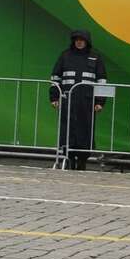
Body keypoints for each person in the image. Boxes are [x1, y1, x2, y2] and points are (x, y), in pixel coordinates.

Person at [51, 29, 108, 171]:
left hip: (87, 102)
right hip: (67, 100)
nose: (79, 42)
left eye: (82, 40)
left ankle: (82, 160)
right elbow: (55, 77)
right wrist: (54, 97)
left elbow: (102, 80)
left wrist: (100, 101)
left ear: (87, 42)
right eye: (76, 40)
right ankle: (68, 158)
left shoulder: (95, 57)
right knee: (67, 130)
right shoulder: (65, 55)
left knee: (85, 130)